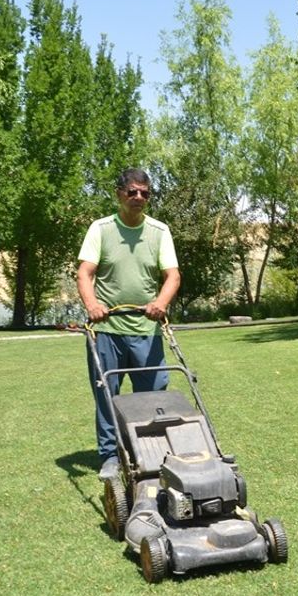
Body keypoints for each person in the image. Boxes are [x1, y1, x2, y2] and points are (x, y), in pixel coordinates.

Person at [76, 168, 180, 481]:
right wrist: (93, 305)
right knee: (107, 393)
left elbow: (172, 275)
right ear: (119, 193)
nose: (138, 198)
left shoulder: (159, 231)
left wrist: (160, 303)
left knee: (154, 394)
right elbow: (85, 273)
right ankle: (110, 456)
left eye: (144, 193)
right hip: (107, 329)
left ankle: (152, 451)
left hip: (146, 330)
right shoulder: (101, 229)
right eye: (132, 192)